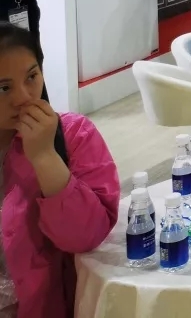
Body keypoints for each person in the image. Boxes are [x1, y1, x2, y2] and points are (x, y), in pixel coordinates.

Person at [0, 23, 120, 317]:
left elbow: (86, 236)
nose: (24, 97)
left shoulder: (74, 135)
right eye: (4, 88)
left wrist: (44, 157)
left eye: (32, 77)